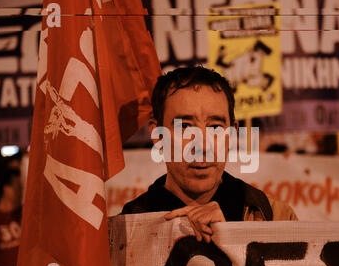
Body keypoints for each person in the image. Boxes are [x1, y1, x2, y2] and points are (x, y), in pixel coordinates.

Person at [122, 66, 297, 244]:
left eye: (215, 127)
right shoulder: (125, 231)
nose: (202, 146)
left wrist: (229, 238)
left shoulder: (275, 218)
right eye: (185, 126)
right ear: (158, 135)